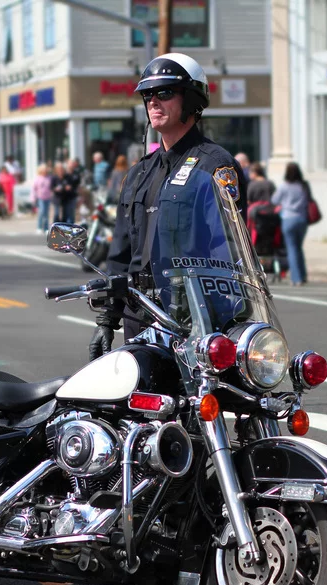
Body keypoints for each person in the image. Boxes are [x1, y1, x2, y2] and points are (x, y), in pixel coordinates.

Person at [89, 52, 247, 360]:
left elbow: (230, 250)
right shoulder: (138, 173)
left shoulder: (214, 166)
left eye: (164, 92)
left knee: (195, 407)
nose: (153, 102)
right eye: (148, 95)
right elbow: (121, 254)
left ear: (191, 99)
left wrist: (228, 323)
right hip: (140, 314)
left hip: (194, 318)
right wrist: (107, 320)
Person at [271, 162, 309, 286]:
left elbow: (274, 200)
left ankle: (296, 278)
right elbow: (308, 200)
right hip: (302, 218)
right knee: (298, 247)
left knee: (292, 248)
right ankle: (303, 275)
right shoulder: (303, 186)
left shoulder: (284, 186)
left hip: (288, 218)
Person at [31, 163, 53, 233]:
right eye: (43, 170)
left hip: (48, 197)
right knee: (41, 212)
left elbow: (51, 187)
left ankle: (46, 227)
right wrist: (33, 198)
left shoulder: (49, 178)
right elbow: (34, 189)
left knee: (46, 213)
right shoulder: (37, 178)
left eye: (46, 170)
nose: (45, 171)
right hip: (40, 198)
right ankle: (39, 227)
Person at [61, 159, 81, 224]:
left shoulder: (76, 174)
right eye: (70, 164)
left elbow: (78, 184)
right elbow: (60, 182)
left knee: (71, 213)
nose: (71, 165)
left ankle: (70, 228)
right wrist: (65, 186)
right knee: (65, 213)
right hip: (64, 196)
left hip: (73, 195)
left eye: (72, 164)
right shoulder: (64, 173)